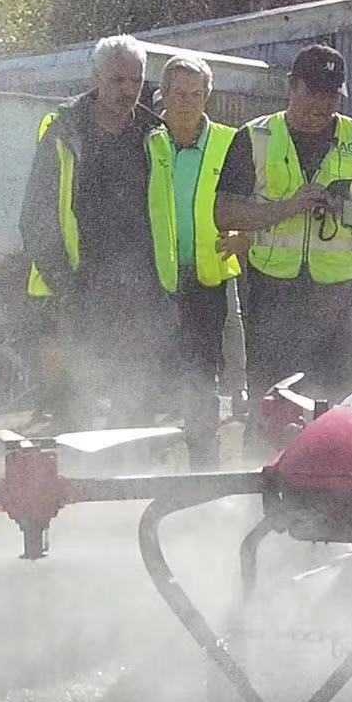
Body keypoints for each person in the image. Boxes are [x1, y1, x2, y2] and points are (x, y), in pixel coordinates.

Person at [215, 44, 352, 404]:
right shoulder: (255, 135)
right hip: (273, 295)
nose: (321, 105)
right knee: (272, 403)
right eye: (312, 92)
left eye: (331, 95)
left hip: (340, 298)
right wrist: (288, 207)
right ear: (291, 86)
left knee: (338, 405)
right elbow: (224, 213)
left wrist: (341, 208)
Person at [21, 35, 168, 430]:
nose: (127, 91)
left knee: (137, 403)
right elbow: (36, 215)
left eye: (136, 82)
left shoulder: (156, 134)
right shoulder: (63, 129)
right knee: (74, 406)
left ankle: (133, 484)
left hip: (139, 292)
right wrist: (65, 286)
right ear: (96, 76)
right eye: (117, 80)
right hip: (77, 287)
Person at [146, 56, 249, 468]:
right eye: (178, 93)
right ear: (163, 95)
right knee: (150, 376)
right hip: (155, 278)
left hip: (209, 279)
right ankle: (146, 470)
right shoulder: (147, 141)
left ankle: (204, 473)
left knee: (203, 379)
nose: (186, 102)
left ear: (208, 96)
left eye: (195, 94)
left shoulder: (232, 142)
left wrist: (248, 235)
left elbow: (257, 198)